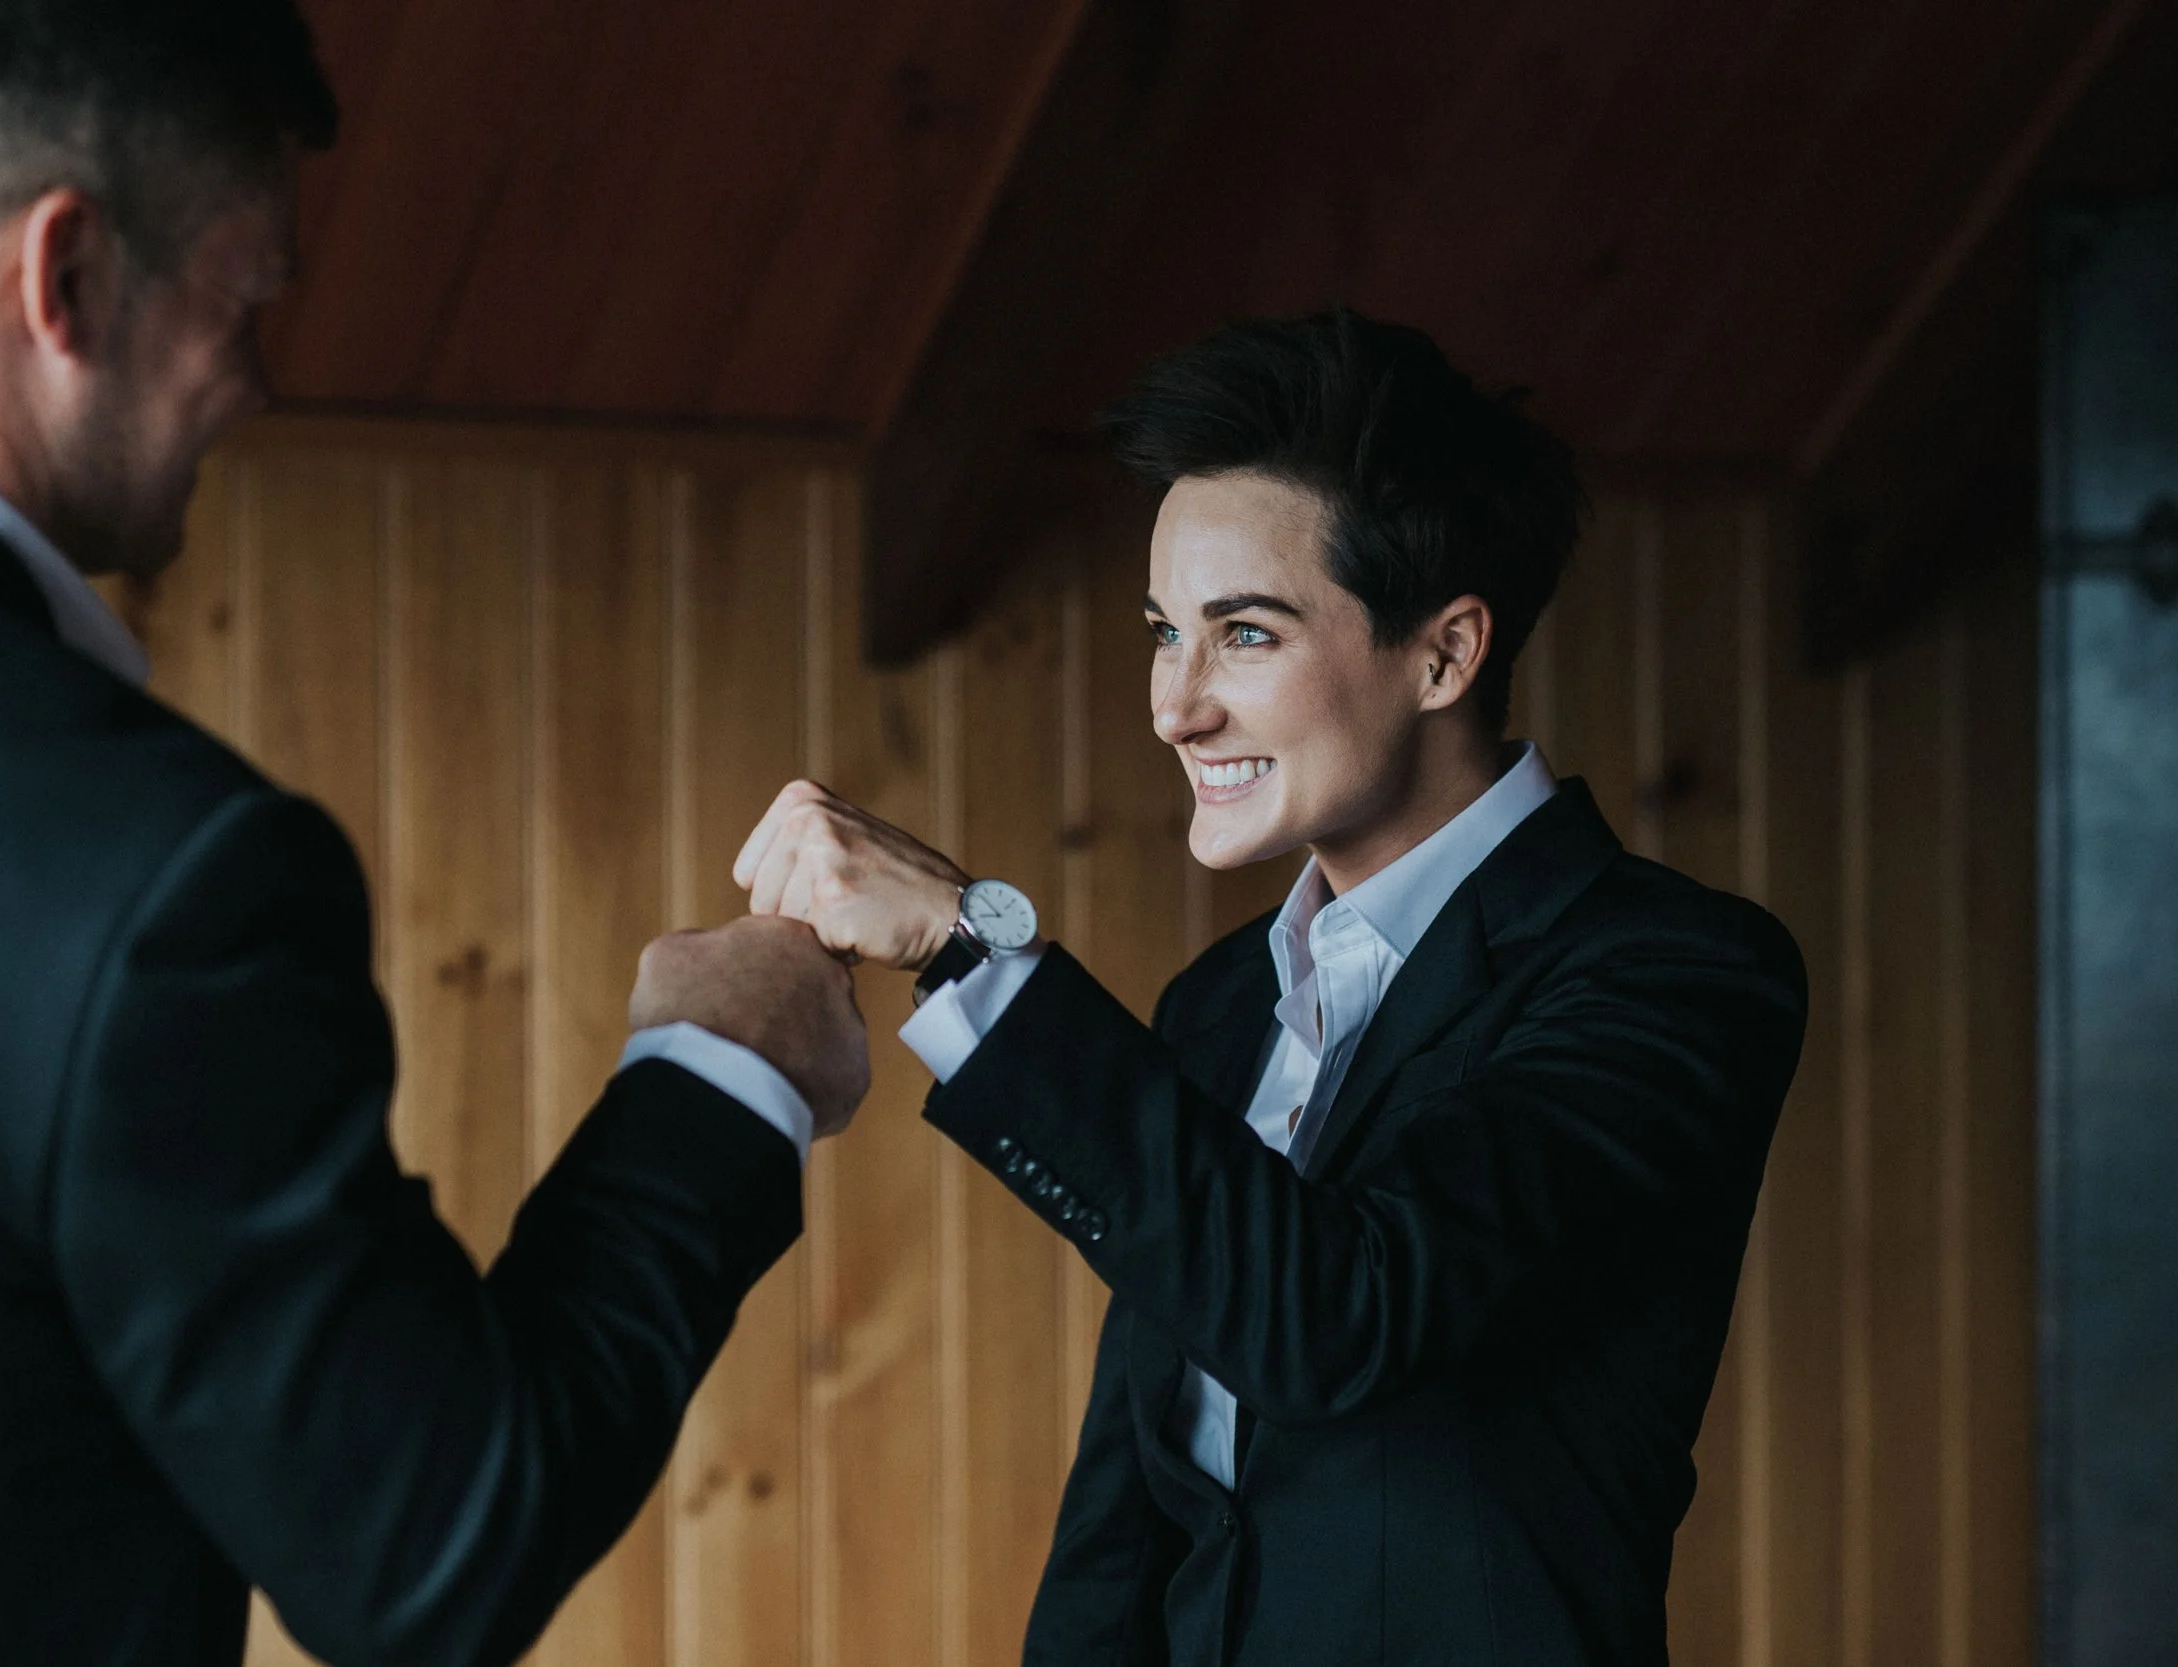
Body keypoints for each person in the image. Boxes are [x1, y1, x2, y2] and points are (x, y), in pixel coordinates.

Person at [0, 4, 866, 1665]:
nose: (258, 374)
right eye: (246, 296)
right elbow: (435, 1549)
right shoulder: (146, 873)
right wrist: (720, 1073)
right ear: (66, 278)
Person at [735, 308, 1809, 1666]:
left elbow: (1341, 1311)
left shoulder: (1675, 971)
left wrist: (972, 948)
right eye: (1161, 631)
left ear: (1445, 653)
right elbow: (1127, 1511)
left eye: (1242, 634)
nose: (1173, 704)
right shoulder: (1217, 1004)